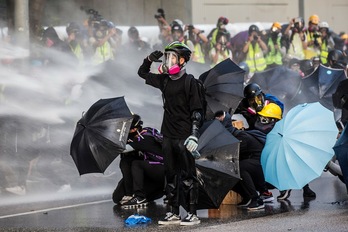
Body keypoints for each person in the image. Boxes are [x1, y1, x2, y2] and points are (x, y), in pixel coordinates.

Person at [138, 41, 204, 225]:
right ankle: (174, 212)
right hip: (168, 134)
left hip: (184, 136)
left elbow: (197, 112)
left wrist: (194, 135)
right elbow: (142, 73)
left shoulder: (191, 82)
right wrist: (148, 60)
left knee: (188, 176)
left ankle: (192, 213)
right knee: (171, 175)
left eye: (172, 57)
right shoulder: (164, 80)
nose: (168, 60)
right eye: (167, 57)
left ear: (182, 60)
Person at [216, 103, 282, 210]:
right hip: (255, 166)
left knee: (239, 168)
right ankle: (248, 197)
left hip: (263, 168)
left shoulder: (240, 136)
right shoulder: (233, 135)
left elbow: (234, 154)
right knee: (230, 171)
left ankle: (256, 200)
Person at [112, 114, 165, 208]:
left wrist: (107, 144)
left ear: (134, 129)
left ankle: (140, 197)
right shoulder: (145, 131)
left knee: (136, 164)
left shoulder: (143, 139)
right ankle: (134, 195)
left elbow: (120, 149)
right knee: (117, 198)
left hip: (163, 171)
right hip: (151, 170)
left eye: (127, 129)